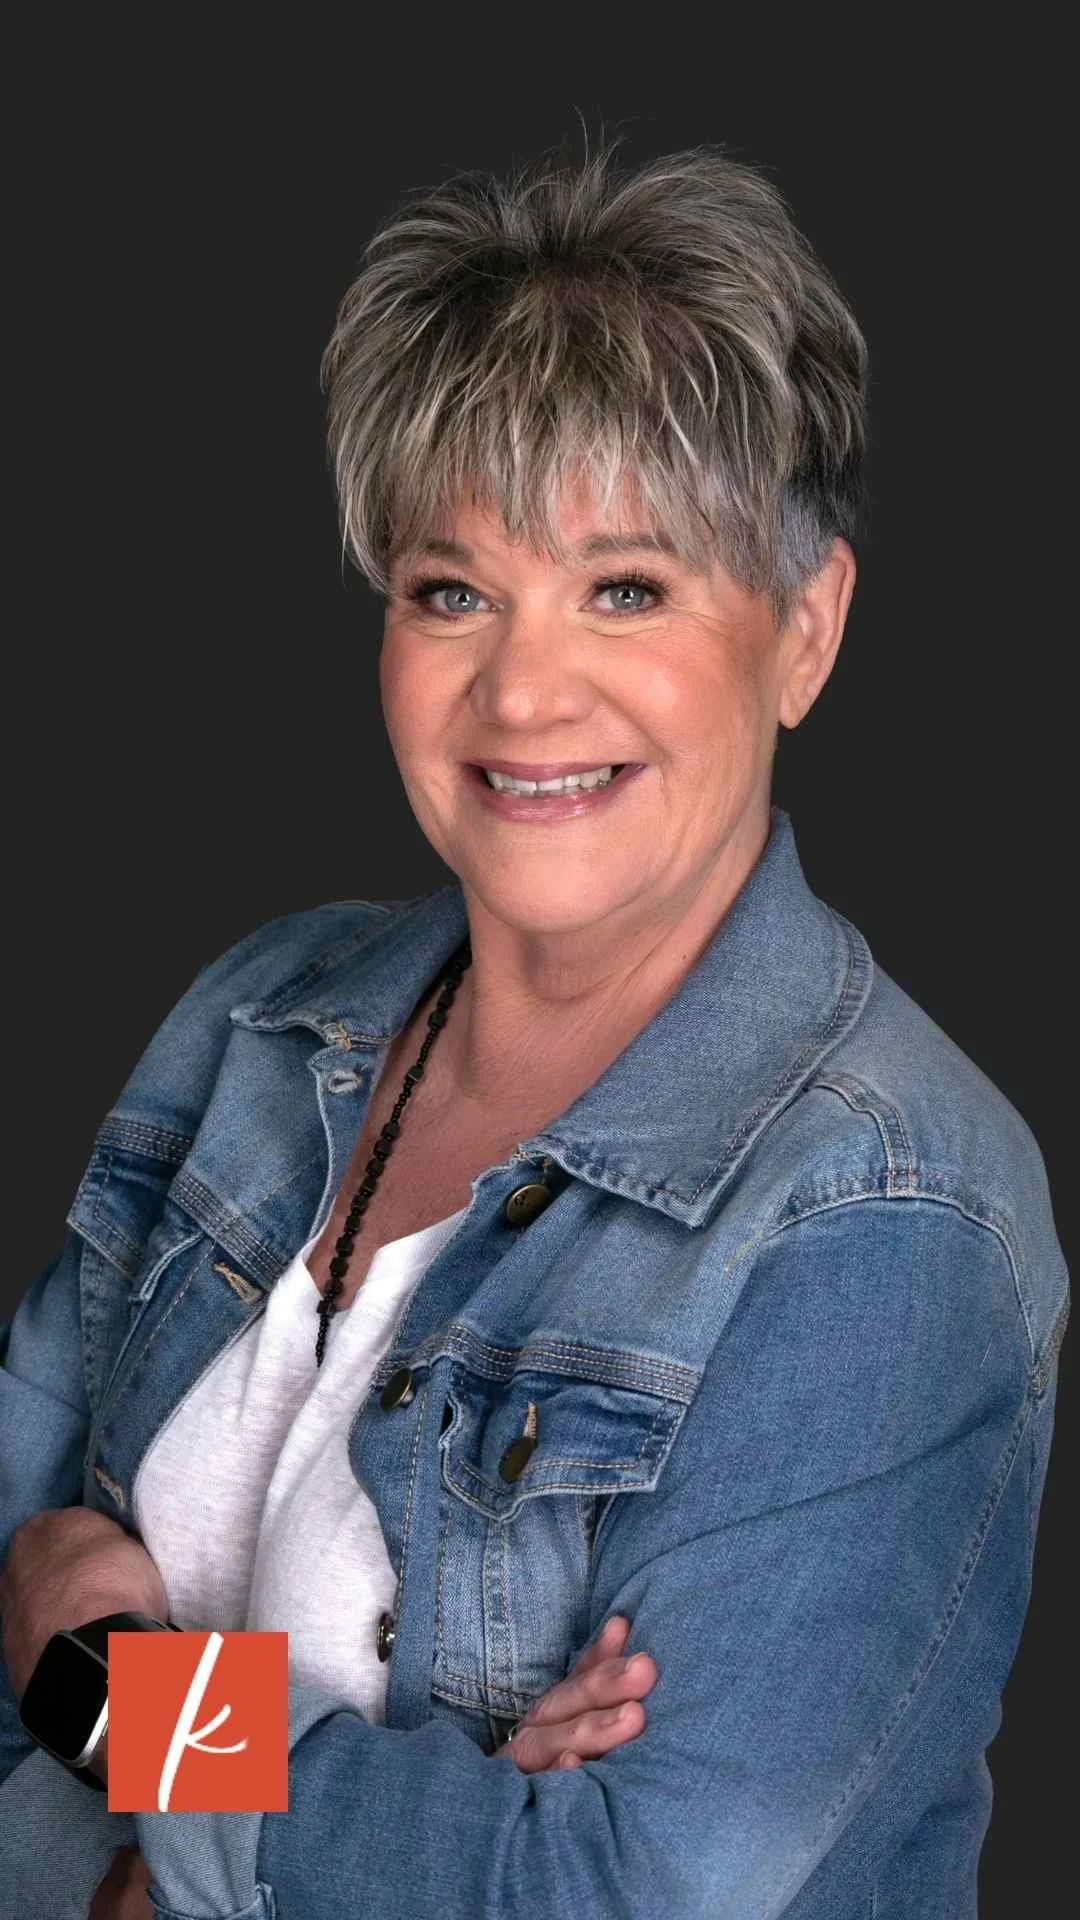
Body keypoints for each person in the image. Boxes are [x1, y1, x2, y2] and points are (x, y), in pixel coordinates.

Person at [0, 140, 1068, 1920]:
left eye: (628, 587)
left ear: (805, 632)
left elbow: (612, 1892)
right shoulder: (260, 1025)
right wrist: (382, 1814)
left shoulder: (887, 1217)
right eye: (451, 589)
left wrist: (117, 1710)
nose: (522, 688)